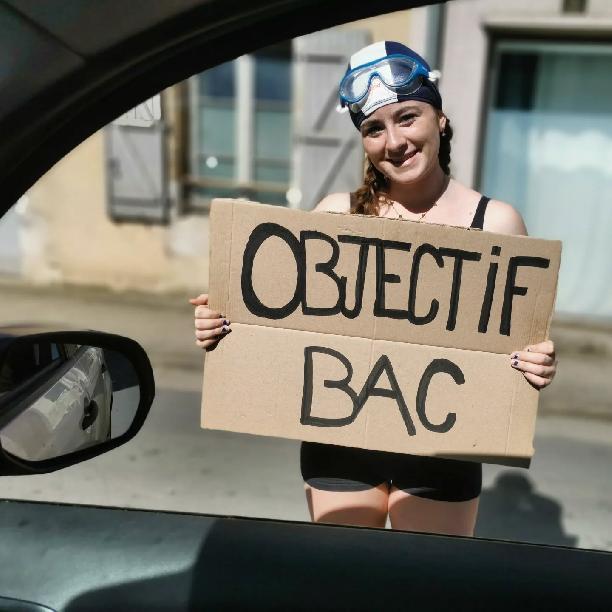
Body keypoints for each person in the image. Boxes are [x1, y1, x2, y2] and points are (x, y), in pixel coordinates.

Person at [191, 41, 557, 536]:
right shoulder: (335, 216)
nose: (394, 141)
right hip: (340, 439)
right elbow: (276, 327)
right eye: (374, 129)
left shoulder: (496, 223)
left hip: (444, 445)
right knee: (346, 576)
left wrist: (536, 363)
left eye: (408, 118)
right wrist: (223, 325)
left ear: (440, 119)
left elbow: (516, 345)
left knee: (423, 578)